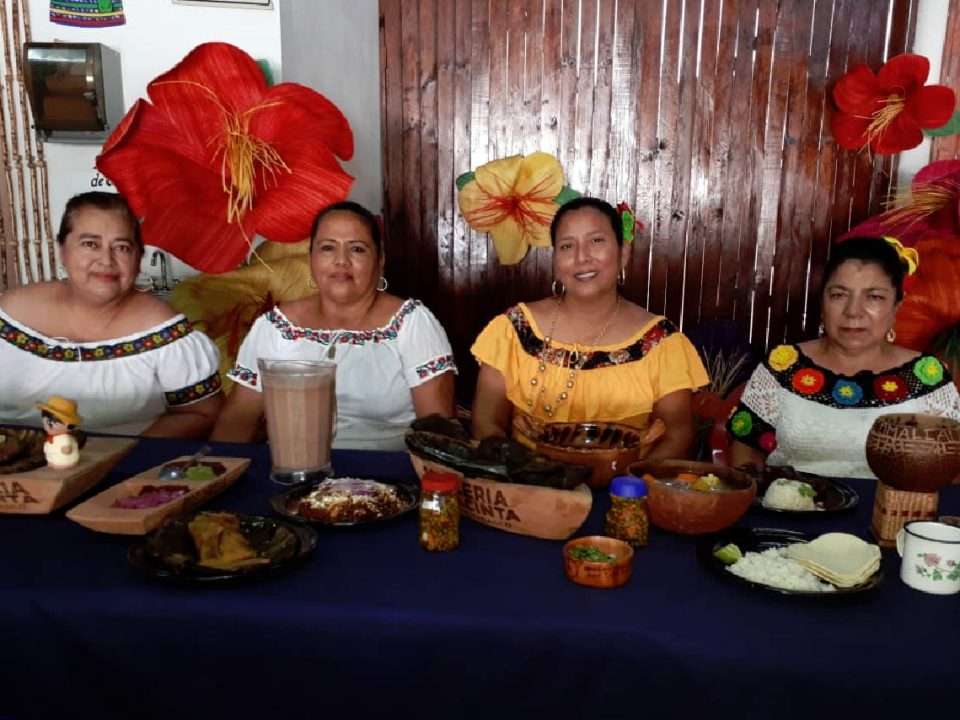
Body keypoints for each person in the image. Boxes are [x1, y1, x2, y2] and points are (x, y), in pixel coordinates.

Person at [470, 196, 708, 458]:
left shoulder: (661, 341)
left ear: (623, 253)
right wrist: (520, 472)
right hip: (530, 489)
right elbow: (486, 422)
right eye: (567, 246)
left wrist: (632, 487)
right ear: (556, 261)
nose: (582, 257)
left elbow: (678, 434)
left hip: (627, 492)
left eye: (596, 241)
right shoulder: (514, 329)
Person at [211, 200, 457, 451]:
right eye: (328, 248)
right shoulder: (274, 327)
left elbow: (437, 436)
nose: (342, 261)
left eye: (358, 249)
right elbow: (237, 422)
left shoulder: (411, 323)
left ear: (380, 258)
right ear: (311, 257)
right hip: (293, 476)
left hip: (390, 476)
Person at [728, 236, 960, 478]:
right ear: (822, 302)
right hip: (793, 511)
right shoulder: (784, 365)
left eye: (874, 297)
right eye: (839, 295)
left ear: (896, 306)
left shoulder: (927, 377)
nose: (853, 312)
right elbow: (747, 448)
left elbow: (954, 467)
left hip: (895, 513)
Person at [0, 192, 223, 436]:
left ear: (138, 259)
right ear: (63, 251)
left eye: (122, 247)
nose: (106, 260)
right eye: (90, 244)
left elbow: (204, 412)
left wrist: (118, 455)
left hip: (123, 467)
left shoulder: (163, 330)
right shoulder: (10, 313)